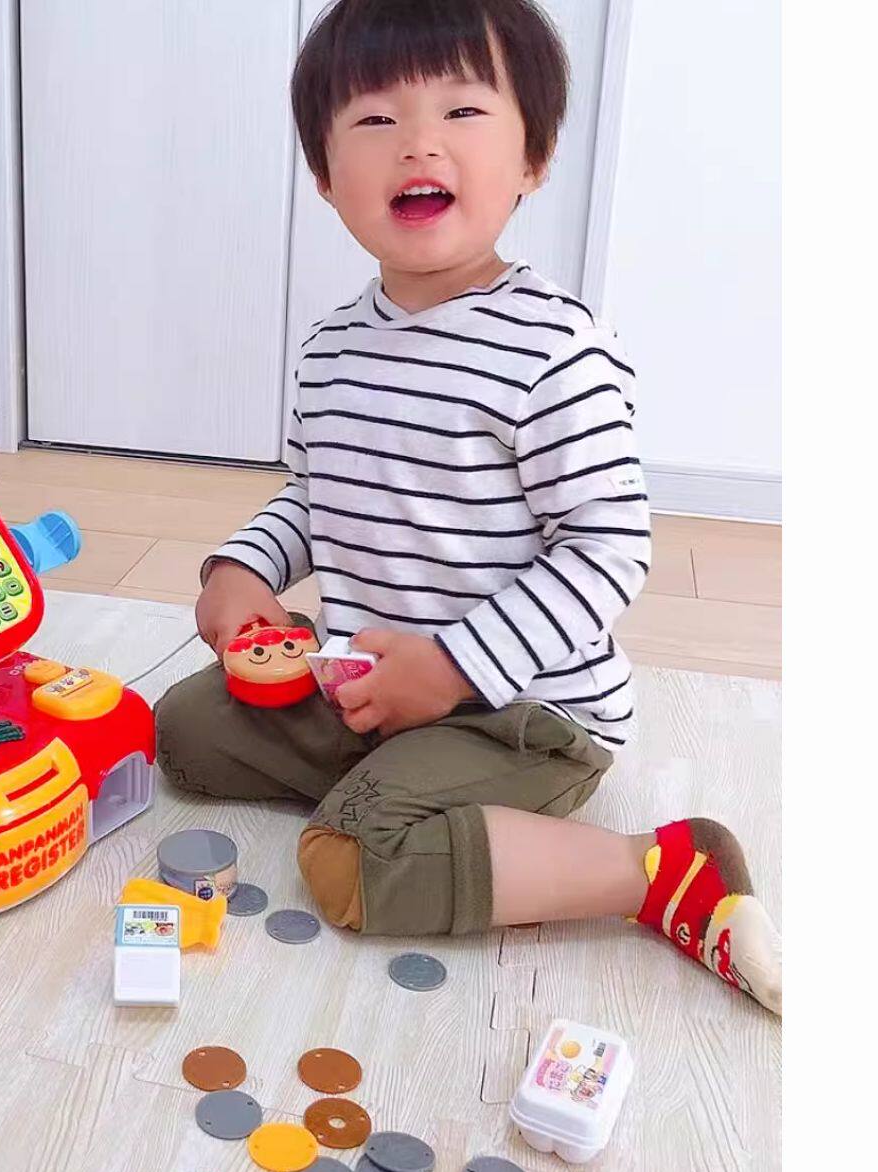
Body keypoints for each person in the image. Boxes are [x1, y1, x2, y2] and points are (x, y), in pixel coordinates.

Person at [153, 0, 780, 1014]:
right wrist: (241, 569)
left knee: (351, 858)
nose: (419, 142)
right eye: (375, 119)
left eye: (462, 110)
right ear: (324, 174)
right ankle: (410, 785)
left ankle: (660, 870)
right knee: (183, 729)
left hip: (521, 710)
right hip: (368, 682)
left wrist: (449, 669)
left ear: (533, 157)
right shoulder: (331, 348)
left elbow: (606, 548)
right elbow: (316, 494)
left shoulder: (555, 350)